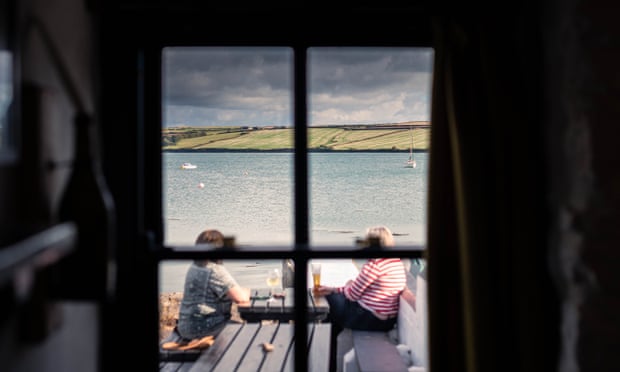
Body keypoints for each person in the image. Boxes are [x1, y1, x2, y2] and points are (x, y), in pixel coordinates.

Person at [315, 226, 407, 335]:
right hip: (388, 321)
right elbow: (362, 290)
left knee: (329, 301)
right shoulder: (395, 262)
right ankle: (332, 341)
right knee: (335, 303)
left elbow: (352, 296)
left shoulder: (374, 265)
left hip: (370, 319)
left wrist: (348, 284)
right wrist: (334, 289)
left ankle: (326, 344)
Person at [176, 229, 251, 341]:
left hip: (185, 327)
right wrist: (247, 291)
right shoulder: (214, 270)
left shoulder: (195, 266)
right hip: (203, 328)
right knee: (250, 333)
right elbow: (241, 299)